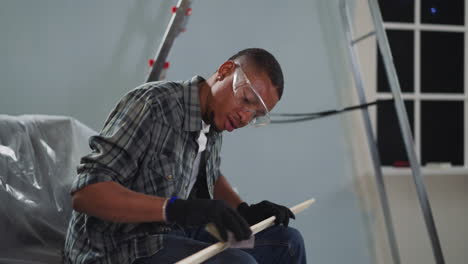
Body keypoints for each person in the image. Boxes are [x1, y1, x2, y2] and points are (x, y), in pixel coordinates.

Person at [64, 48, 306, 264]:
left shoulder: (215, 120)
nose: (245, 117)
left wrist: (242, 210)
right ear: (224, 71)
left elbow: (203, 172)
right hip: (121, 247)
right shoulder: (153, 105)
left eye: (255, 115)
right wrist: (177, 209)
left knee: (287, 244)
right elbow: (86, 193)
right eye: (245, 100)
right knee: (238, 262)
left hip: (176, 235)